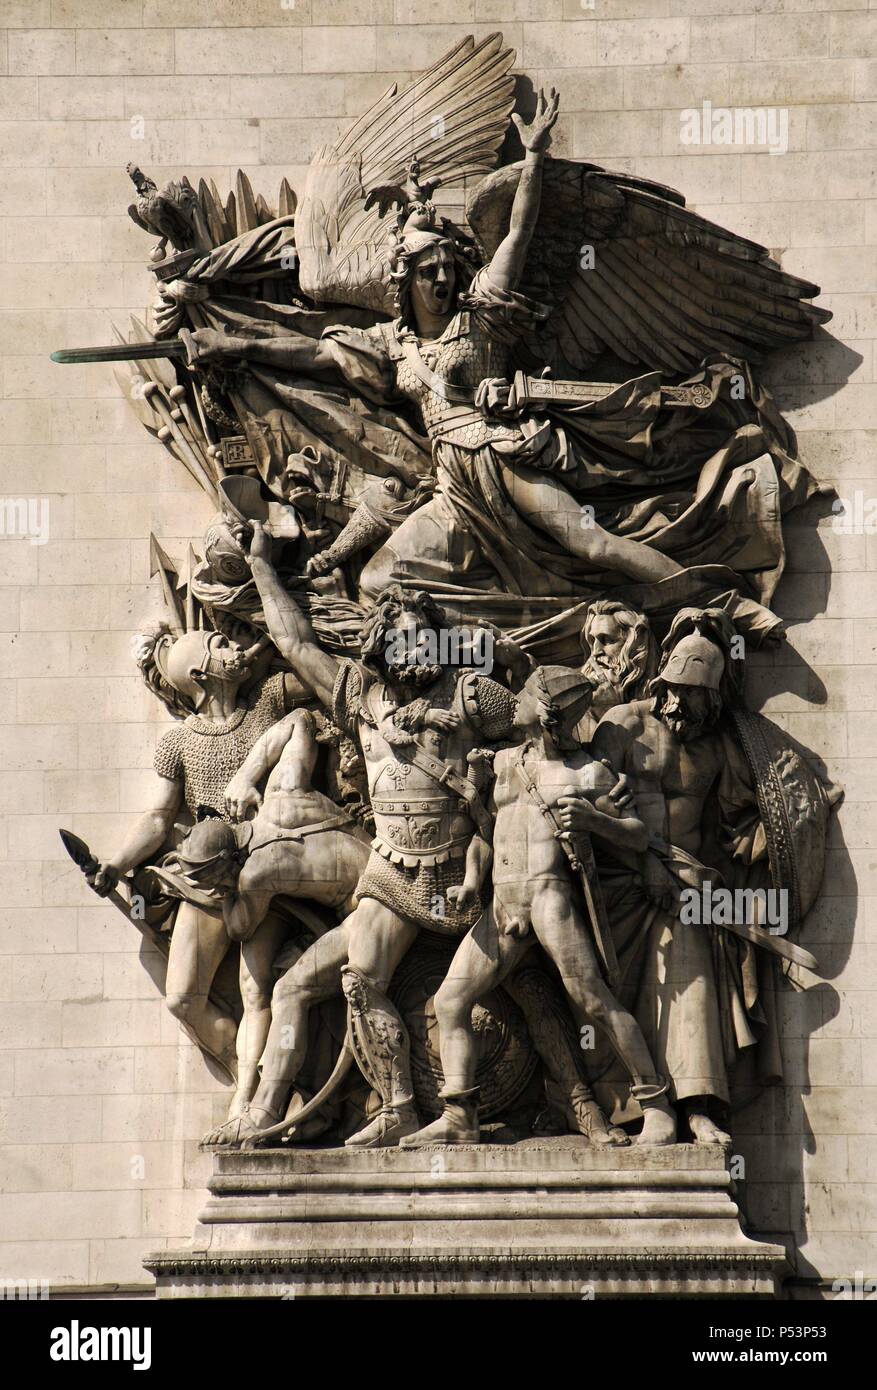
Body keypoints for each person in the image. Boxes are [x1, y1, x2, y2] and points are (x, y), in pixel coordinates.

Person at [402, 665, 676, 1147]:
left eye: (527, 692)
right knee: (450, 1001)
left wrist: (594, 820)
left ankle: (656, 1106)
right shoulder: (505, 763)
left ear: (546, 710)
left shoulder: (588, 772)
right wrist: (471, 883)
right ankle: (459, 1116)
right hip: (502, 905)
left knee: (594, 1000)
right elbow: (487, 837)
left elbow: (637, 835)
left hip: (550, 899)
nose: (517, 698)